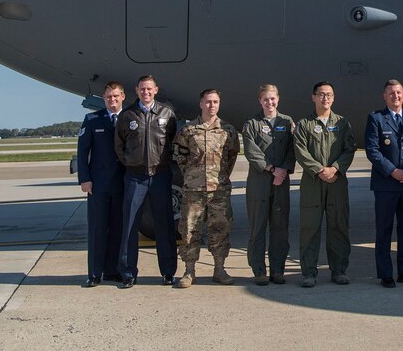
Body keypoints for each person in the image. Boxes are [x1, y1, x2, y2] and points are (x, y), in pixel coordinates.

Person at [114, 75, 178, 288]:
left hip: (160, 175)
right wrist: (132, 164)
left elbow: (171, 141)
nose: (146, 92)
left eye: (149, 89)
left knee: (165, 225)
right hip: (135, 177)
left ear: (156, 90)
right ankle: (128, 273)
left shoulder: (167, 114)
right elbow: (119, 145)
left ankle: (168, 272)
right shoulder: (127, 114)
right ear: (137, 90)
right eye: (142, 89)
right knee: (130, 225)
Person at [173, 88, 240, 288]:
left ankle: (219, 269)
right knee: (189, 231)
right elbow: (180, 157)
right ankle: (189, 271)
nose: (212, 105)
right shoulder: (188, 130)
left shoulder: (227, 130)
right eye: (208, 102)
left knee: (220, 229)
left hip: (218, 190)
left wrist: (218, 177)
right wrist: (193, 177)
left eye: (216, 102)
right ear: (201, 104)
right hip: (193, 190)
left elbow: (232, 156)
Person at [293, 81, 356, 287]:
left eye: (329, 95)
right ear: (313, 97)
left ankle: (338, 270)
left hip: (337, 181)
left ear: (334, 97)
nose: (325, 98)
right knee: (310, 227)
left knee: (338, 226)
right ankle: (309, 273)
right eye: (321, 94)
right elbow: (300, 151)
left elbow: (349, 149)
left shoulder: (342, 123)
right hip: (312, 181)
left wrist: (335, 168)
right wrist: (320, 170)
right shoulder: (304, 124)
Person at [364, 79, 403, 288]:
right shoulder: (376, 118)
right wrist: (393, 171)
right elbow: (372, 150)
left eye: (398, 93)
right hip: (387, 185)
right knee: (384, 229)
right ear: (384, 96)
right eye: (391, 93)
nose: (395, 96)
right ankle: (385, 273)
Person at [241, 84, 295, 285]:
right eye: (265, 99)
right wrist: (273, 169)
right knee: (258, 227)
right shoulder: (252, 124)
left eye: (272, 99)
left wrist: (284, 170)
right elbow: (251, 152)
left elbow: (292, 150)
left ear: (278, 99)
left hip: (281, 182)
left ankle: (278, 270)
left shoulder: (287, 122)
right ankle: (259, 271)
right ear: (260, 101)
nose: (269, 103)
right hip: (260, 181)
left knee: (280, 227)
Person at [76, 81, 126, 287]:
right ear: (104, 98)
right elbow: (82, 152)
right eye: (108, 97)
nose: (112, 100)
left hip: (123, 183)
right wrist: (84, 179)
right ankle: (95, 273)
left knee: (118, 228)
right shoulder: (92, 119)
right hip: (99, 184)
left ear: (123, 97)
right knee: (98, 228)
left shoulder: (130, 118)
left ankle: (113, 271)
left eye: (115, 96)